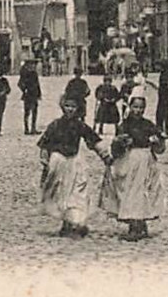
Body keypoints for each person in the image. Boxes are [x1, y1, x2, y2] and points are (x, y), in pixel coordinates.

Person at [38, 93, 112, 237]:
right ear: (62, 107)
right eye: (67, 106)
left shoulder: (80, 125)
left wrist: (105, 155)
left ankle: (76, 222)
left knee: (77, 192)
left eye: (73, 106)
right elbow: (45, 143)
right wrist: (45, 159)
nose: (70, 109)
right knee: (61, 193)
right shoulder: (55, 125)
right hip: (59, 162)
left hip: (74, 162)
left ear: (78, 108)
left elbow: (93, 140)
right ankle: (66, 223)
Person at [100, 94, 167, 241]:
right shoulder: (124, 125)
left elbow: (160, 146)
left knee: (141, 192)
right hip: (129, 160)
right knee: (129, 191)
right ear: (129, 107)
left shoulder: (148, 124)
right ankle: (135, 224)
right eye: (135, 107)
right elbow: (117, 145)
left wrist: (158, 139)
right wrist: (121, 142)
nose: (138, 110)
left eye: (141, 108)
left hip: (145, 160)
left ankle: (139, 224)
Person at [18, 60, 43, 135]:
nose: (33, 66)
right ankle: (26, 129)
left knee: (34, 112)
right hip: (28, 95)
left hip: (34, 95)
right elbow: (20, 84)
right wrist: (24, 90)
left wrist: (39, 94)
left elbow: (37, 84)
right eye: (32, 65)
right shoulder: (25, 74)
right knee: (27, 112)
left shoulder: (34, 74)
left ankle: (33, 128)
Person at [155, 62, 168, 134]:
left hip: (165, 97)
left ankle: (164, 129)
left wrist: (164, 86)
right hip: (164, 97)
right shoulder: (164, 74)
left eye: (158, 66)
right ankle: (163, 129)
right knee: (163, 113)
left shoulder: (165, 75)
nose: (157, 67)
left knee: (163, 113)